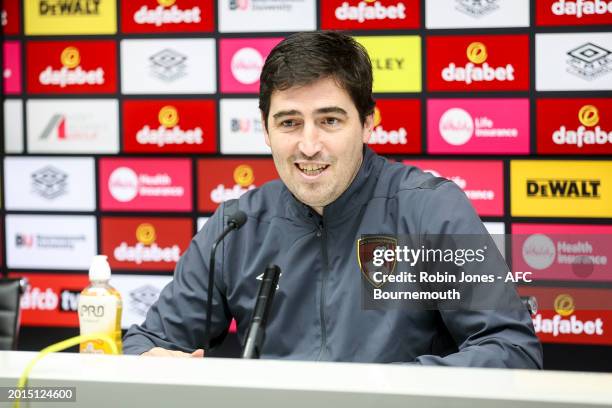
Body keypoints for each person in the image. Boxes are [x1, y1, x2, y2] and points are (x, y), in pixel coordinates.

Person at [123, 31, 543, 368]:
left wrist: (384, 391)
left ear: (367, 124)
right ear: (266, 132)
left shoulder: (429, 209)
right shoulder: (237, 225)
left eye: (329, 120)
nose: (309, 145)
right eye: (289, 122)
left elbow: (511, 350)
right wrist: (155, 363)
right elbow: (145, 343)